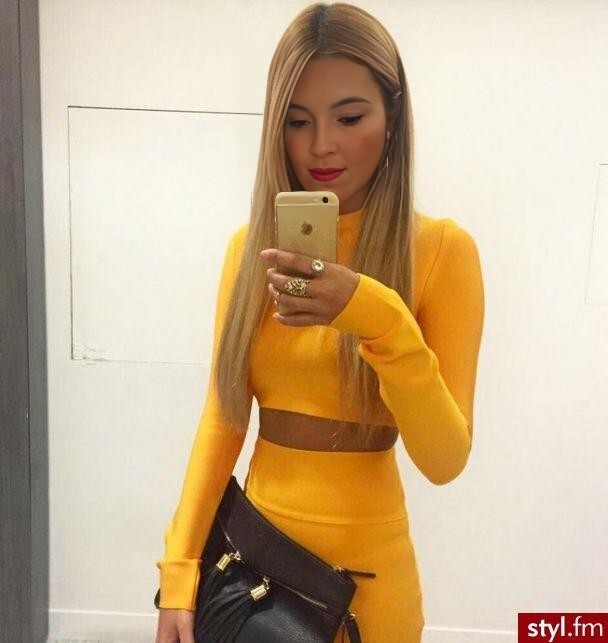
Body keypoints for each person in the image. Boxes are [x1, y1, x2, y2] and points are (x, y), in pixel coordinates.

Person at [154, 3, 485, 642]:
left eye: (350, 117)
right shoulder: (251, 251)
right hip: (255, 572)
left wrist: (375, 313)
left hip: (372, 584)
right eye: (297, 120)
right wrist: (180, 570)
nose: (321, 145)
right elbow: (222, 419)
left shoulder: (443, 252)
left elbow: (445, 459)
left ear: (393, 118)